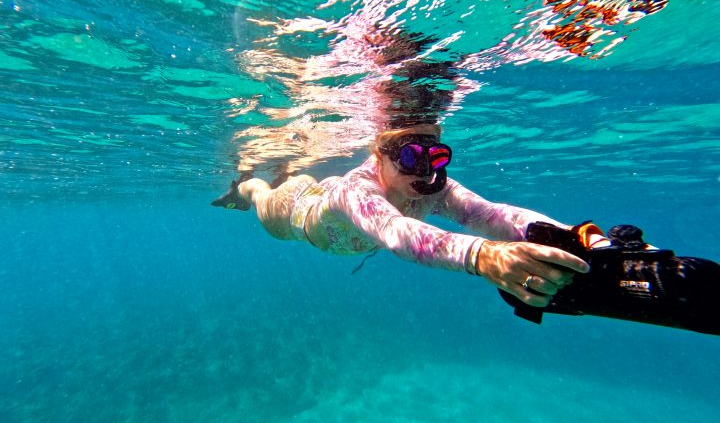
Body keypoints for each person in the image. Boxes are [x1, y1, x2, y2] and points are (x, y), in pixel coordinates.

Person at [212, 123, 592, 308]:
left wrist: (574, 235)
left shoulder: (432, 185)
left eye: (435, 157)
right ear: (379, 155)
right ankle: (243, 186)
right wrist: (484, 255)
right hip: (296, 212)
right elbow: (394, 230)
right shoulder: (356, 189)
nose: (423, 171)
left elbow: (488, 213)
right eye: (410, 157)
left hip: (329, 198)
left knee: (304, 176)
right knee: (264, 194)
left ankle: (290, 172)